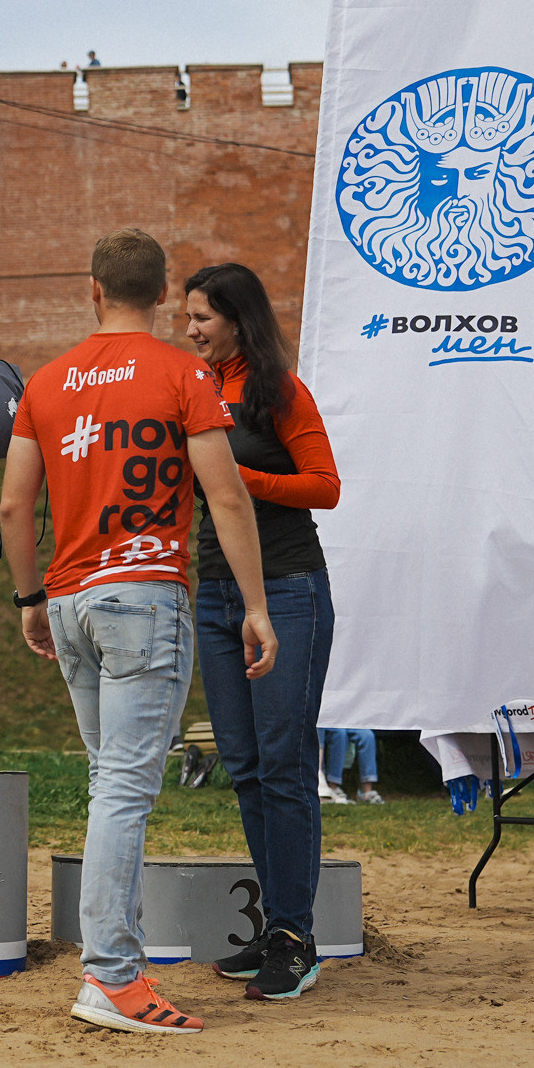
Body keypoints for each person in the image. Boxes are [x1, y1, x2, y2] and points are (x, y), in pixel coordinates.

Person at [0, 228, 274, 1035]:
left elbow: (15, 505)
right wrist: (256, 605)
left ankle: (114, 961)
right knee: (122, 791)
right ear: (161, 296)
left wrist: (28, 599)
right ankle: (111, 974)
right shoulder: (183, 370)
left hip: (73, 598)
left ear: (92, 290)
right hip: (145, 596)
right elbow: (226, 496)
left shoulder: (47, 382)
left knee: (106, 785)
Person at [180, 261, 342, 999]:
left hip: (285, 591)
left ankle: (294, 937)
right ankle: (277, 923)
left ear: (239, 321)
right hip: (214, 596)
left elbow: (326, 486)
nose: (189, 330)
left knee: (282, 765)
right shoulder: (196, 391)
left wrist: (242, 482)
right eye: (186, 318)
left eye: (202, 319)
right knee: (244, 768)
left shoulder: (281, 391)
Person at [320, 729, 383, 805]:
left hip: (347, 722)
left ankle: (366, 793)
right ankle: (333, 788)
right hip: (327, 725)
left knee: (367, 735)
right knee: (340, 734)